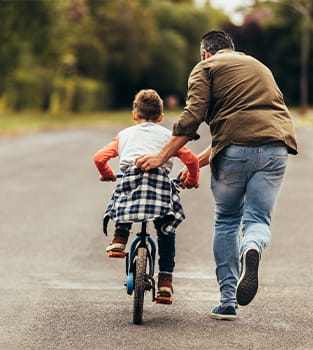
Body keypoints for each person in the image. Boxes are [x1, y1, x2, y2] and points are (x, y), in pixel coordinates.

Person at [135, 31, 297, 320]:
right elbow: (242, 126)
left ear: (205, 53)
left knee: (227, 220)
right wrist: (195, 163)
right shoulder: (259, 67)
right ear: (232, 49)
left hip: (234, 152)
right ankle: (252, 247)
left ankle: (227, 302)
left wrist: (162, 156)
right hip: (276, 148)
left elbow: (193, 116)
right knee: (257, 220)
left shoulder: (206, 67)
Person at [93, 89, 199, 302]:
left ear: (135, 115)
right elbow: (193, 160)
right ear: (160, 117)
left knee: (123, 197)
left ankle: (119, 239)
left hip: (131, 179)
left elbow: (99, 158)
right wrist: (192, 180)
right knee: (166, 230)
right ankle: (166, 283)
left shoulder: (124, 135)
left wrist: (108, 174)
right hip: (159, 187)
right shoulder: (169, 137)